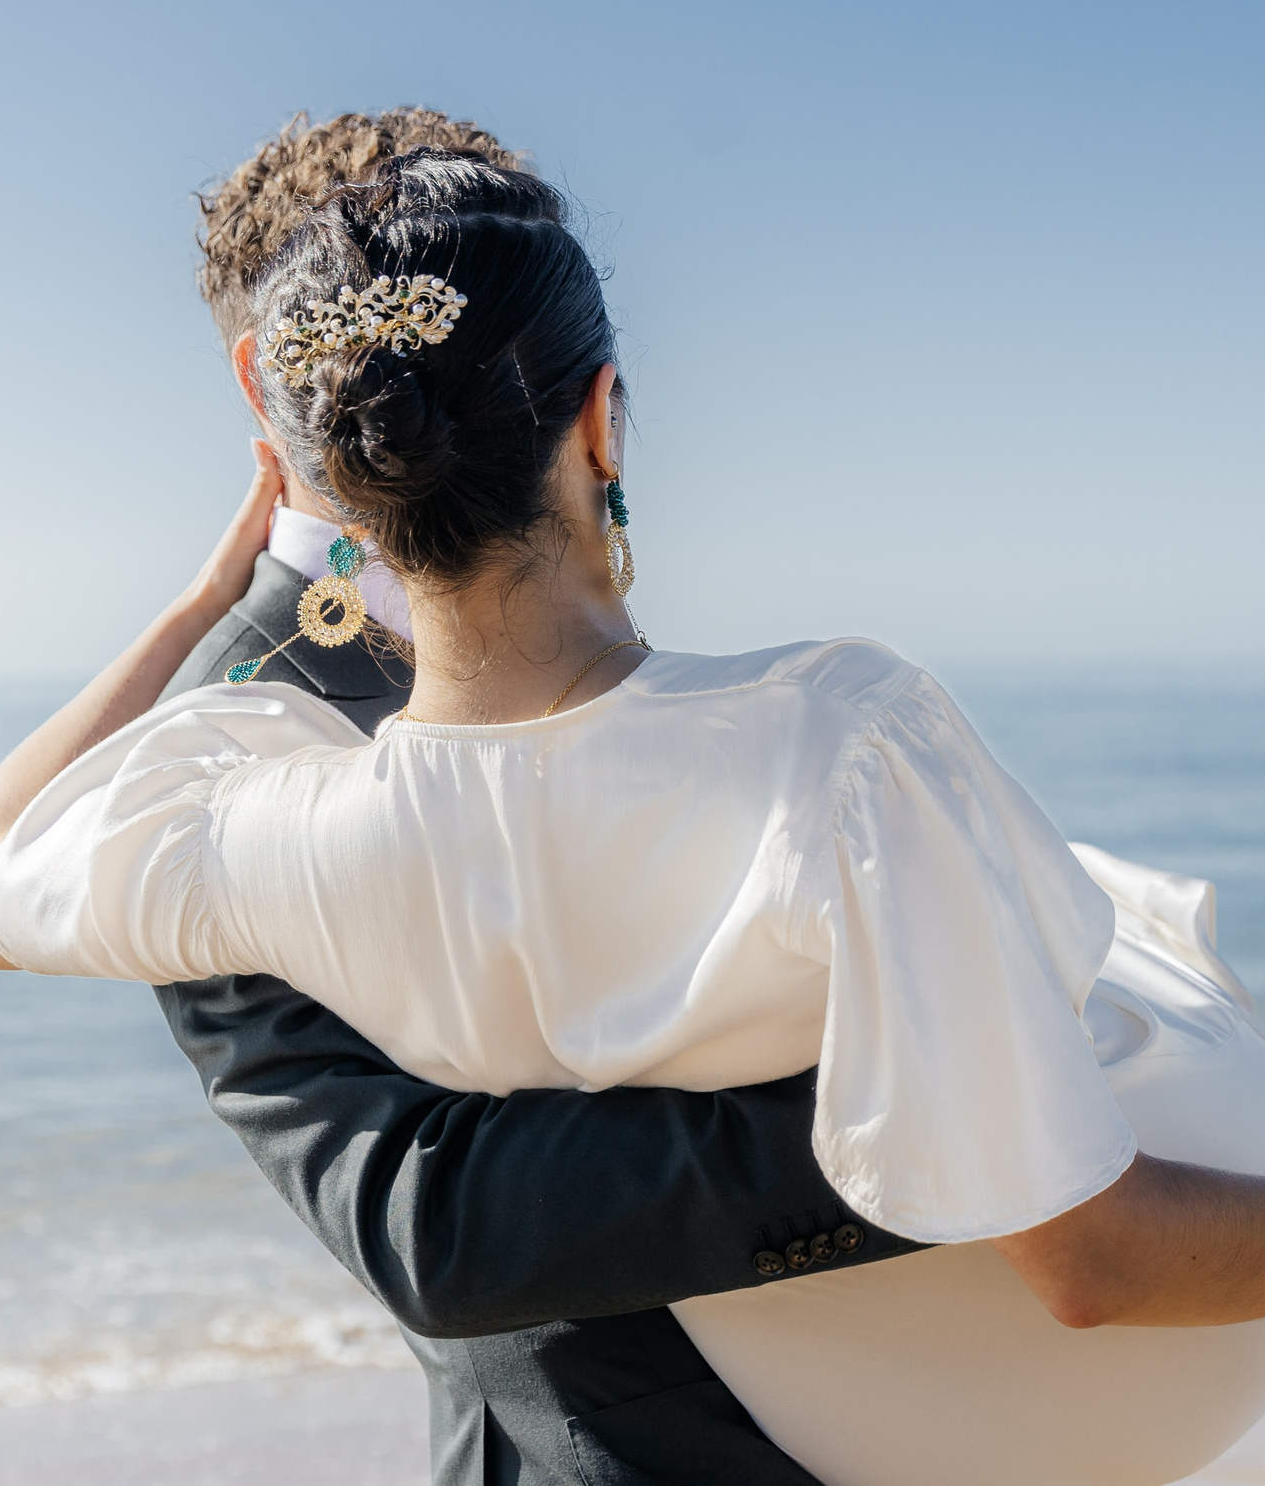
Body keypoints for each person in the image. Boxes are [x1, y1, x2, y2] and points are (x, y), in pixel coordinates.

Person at [0, 149, 1265, 1483]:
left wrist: (198, 596)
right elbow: (1092, 1260)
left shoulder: (243, 811)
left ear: (317, 461)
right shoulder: (843, 738)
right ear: (600, 417)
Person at [158, 108, 925, 1486]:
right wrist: (949, 1115)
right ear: (265, 377)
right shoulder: (226, 734)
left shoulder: (554, 581)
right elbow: (432, 1219)